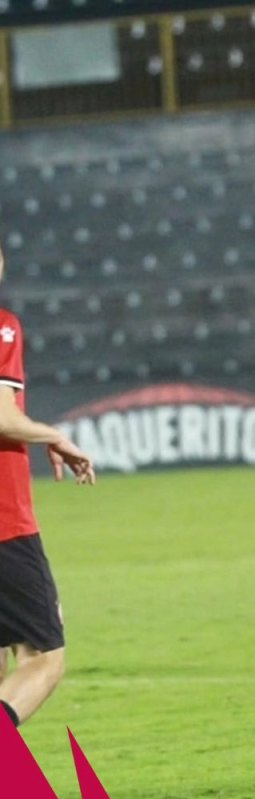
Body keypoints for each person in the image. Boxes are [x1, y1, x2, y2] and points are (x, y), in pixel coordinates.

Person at [0, 242, 96, 729]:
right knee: (42, 657)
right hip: (3, 525)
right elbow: (1, 416)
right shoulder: (2, 325)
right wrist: (53, 435)